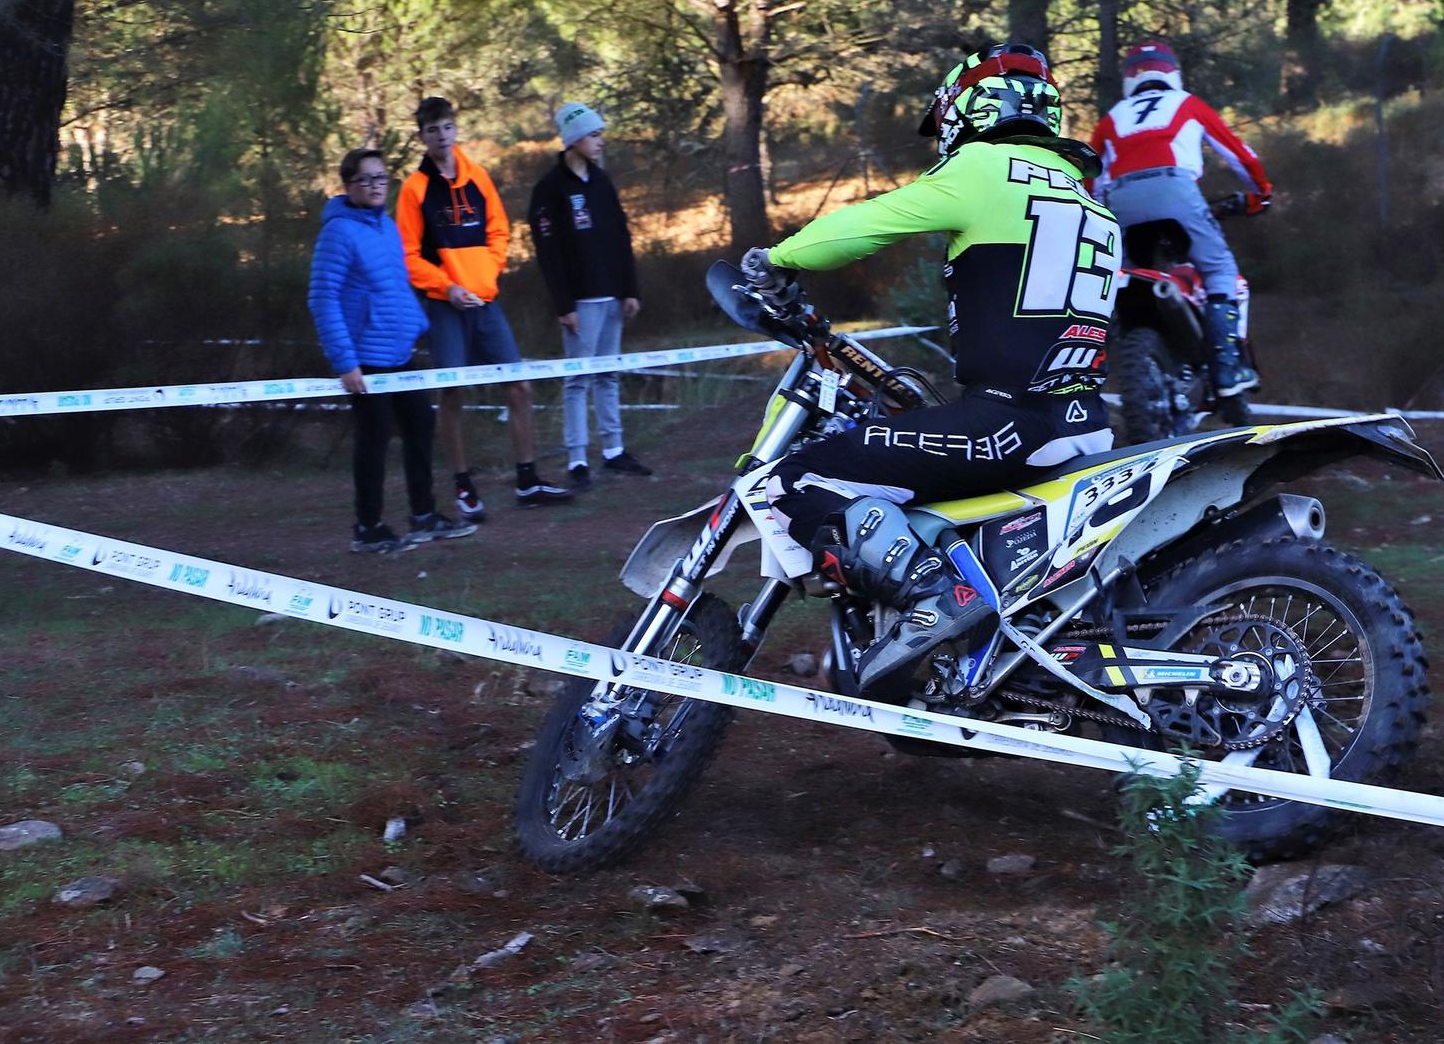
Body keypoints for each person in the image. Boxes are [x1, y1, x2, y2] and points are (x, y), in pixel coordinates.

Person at [740, 42, 1119, 692]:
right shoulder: (1091, 201)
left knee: (788, 482)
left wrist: (776, 262)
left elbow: (867, 224)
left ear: (969, 109)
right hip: (1082, 423)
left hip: (1004, 425)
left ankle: (934, 595)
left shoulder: (984, 169)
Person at [395, 96, 571, 517]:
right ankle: (462, 485)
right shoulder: (414, 189)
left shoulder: (478, 177)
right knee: (452, 394)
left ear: (456, 130)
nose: (442, 136)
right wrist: (449, 287)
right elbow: (408, 255)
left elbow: (499, 232)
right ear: (422, 136)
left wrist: (485, 279)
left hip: (486, 302)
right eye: (433, 130)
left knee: (519, 386)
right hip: (444, 306)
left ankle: (527, 480)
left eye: (447, 127)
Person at [308, 148, 477, 554]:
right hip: (365, 358)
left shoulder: (385, 226)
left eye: (381, 178)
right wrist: (345, 363)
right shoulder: (338, 232)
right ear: (349, 185)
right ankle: (368, 527)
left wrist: (415, 324)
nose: (375, 186)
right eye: (365, 179)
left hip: (399, 352)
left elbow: (395, 285)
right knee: (375, 438)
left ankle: (424, 515)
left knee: (420, 425)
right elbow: (322, 298)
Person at [1089, 40, 1274, 397]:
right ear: (1174, 74)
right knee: (1220, 270)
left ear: (1130, 80)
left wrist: (1099, 215)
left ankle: (1099, 363)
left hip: (1122, 197)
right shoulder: (1187, 103)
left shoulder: (1112, 116)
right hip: (1176, 189)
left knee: (1121, 277)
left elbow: (1092, 178)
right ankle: (1226, 372)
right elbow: (1239, 153)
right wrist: (1262, 191)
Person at [527, 101, 652, 488]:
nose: (600, 142)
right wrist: (564, 305)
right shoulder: (549, 190)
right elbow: (548, 254)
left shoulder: (602, 182)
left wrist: (629, 289)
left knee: (608, 375)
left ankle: (613, 451)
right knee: (577, 379)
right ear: (573, 139)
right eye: (594, 135)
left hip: (612, 297)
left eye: (600, 135)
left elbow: (621, 237)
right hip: (579, 303)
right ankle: (577, 458)